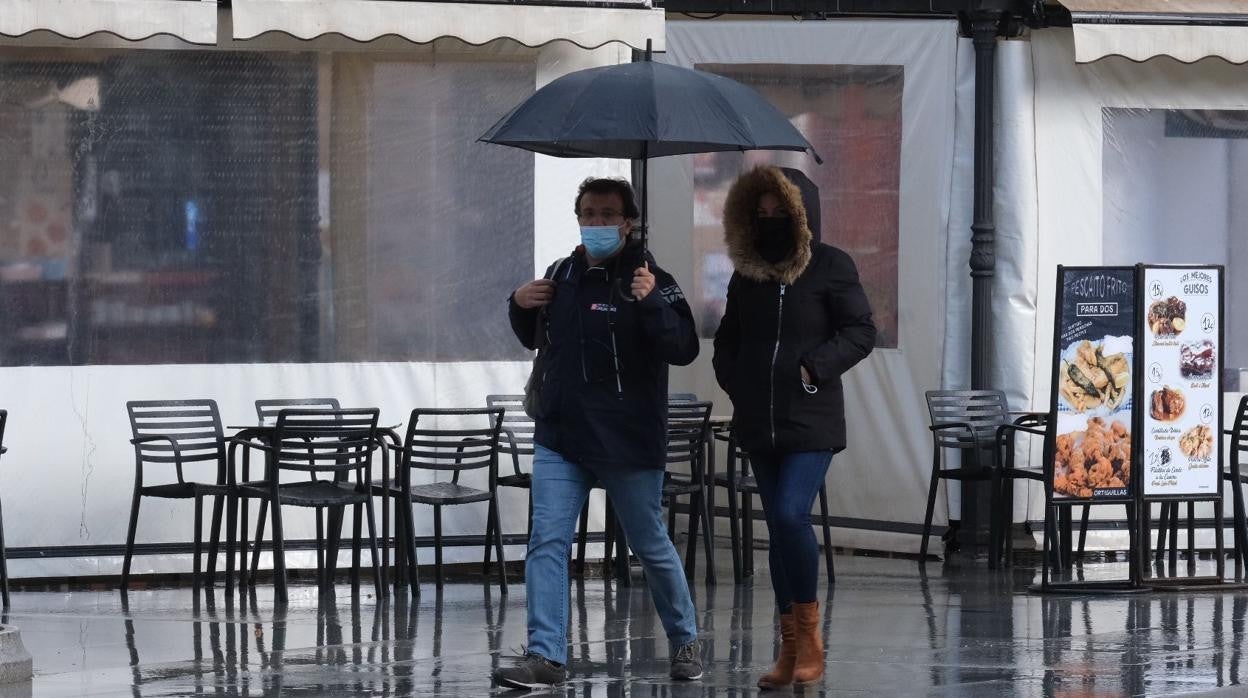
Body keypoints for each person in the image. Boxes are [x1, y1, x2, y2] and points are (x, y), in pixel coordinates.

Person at [492, 177, 703, 690]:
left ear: (629, 222)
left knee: (649, 543)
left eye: (609, 214)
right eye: (589, 213)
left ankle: (685, 641)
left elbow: (685, 347)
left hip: (628, 439)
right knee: (547, 541)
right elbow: (537, 338)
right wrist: (520, 303)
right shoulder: (560, 274)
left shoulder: (654, 278)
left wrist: (652, 303)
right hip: (562, 436)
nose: (598, 223)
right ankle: (546, 655)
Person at [712, 165, 876, 690]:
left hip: (812, 419)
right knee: (780, 532)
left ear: (801, 214)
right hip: (759, 422)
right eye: (760, 214)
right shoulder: (747, 275)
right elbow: (727, 341)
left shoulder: (831, 266)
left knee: (788, 515)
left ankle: (810, 639)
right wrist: (739, 383)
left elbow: (860, 330)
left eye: (779, 212)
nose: (770, 221)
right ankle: (788, 650)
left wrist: (814, 367)